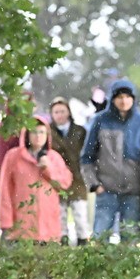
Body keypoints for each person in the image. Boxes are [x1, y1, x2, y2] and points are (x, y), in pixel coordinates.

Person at [80, 78, 140, 240]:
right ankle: (100, 266)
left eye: (128, 97)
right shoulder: (100, 121)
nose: (124, 101)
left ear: (133, 99)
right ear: (112, 99)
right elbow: (86, 158)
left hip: (133, 193)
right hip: (106, 190)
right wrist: (94, 185)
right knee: (100, 237)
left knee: (132, 239)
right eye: (119, 97)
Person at [0, 117, 72, 246]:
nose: (38, 136)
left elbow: (65, 183)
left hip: (48, 227)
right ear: (27, 135)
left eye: (42, 132)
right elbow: (5, 190)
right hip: (20, 226)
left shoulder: (53, 157)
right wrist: (6, 221)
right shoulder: (13, 157)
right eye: (34, 132)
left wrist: (48, 169)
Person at [47, 98, 90, 245]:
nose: (60, 115)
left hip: (78, 178)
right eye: (56, 112)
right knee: (60, 219)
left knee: (81, 218)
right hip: (56, 180)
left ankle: (83, 248)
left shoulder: (80, 131)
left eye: (62, 111)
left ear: (69, 112)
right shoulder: (47, 132)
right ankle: (63, 249)